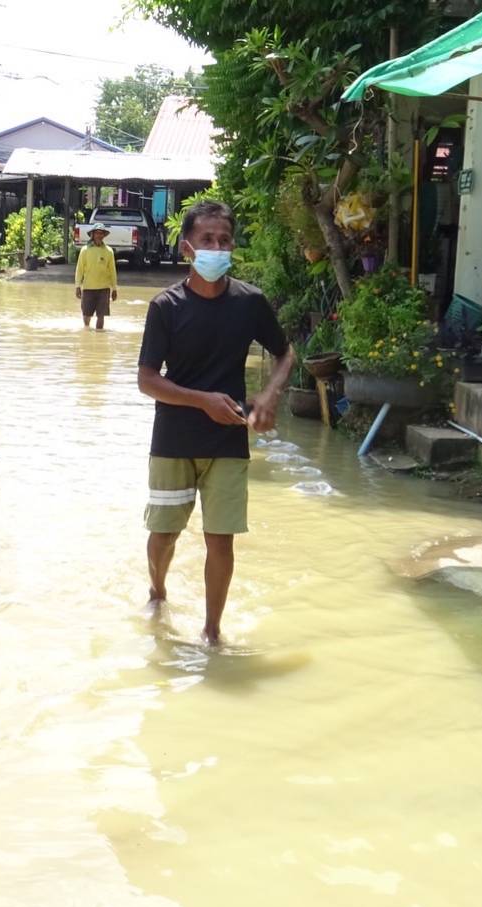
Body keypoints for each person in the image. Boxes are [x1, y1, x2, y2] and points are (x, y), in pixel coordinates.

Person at [136, 199, 296, 646]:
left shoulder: (250, 302)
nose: (216, 248)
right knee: (163, 534)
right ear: (187, 248)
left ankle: (211, 631)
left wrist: (269, 395)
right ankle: (157, 589)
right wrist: (200, 400)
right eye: (207, 240)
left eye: (224, 240)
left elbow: (285, 352)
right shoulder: (165, 307)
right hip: (172, 437)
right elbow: (147, 381)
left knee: (221, 540)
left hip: (229, 438)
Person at [74, 224, 118, 330]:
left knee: (101, 316)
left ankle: (99, 334)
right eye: (97, 233)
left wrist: (114, 289)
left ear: (104, 236)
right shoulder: (85, 250)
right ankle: (87, 331)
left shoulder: (109, 251)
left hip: (104, 289)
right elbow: (79, 269)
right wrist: (77, 286)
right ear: (92, 235)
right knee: (86, 315)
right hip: (88, 288)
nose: (99, 235)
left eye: (101, 233)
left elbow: (112, 271)